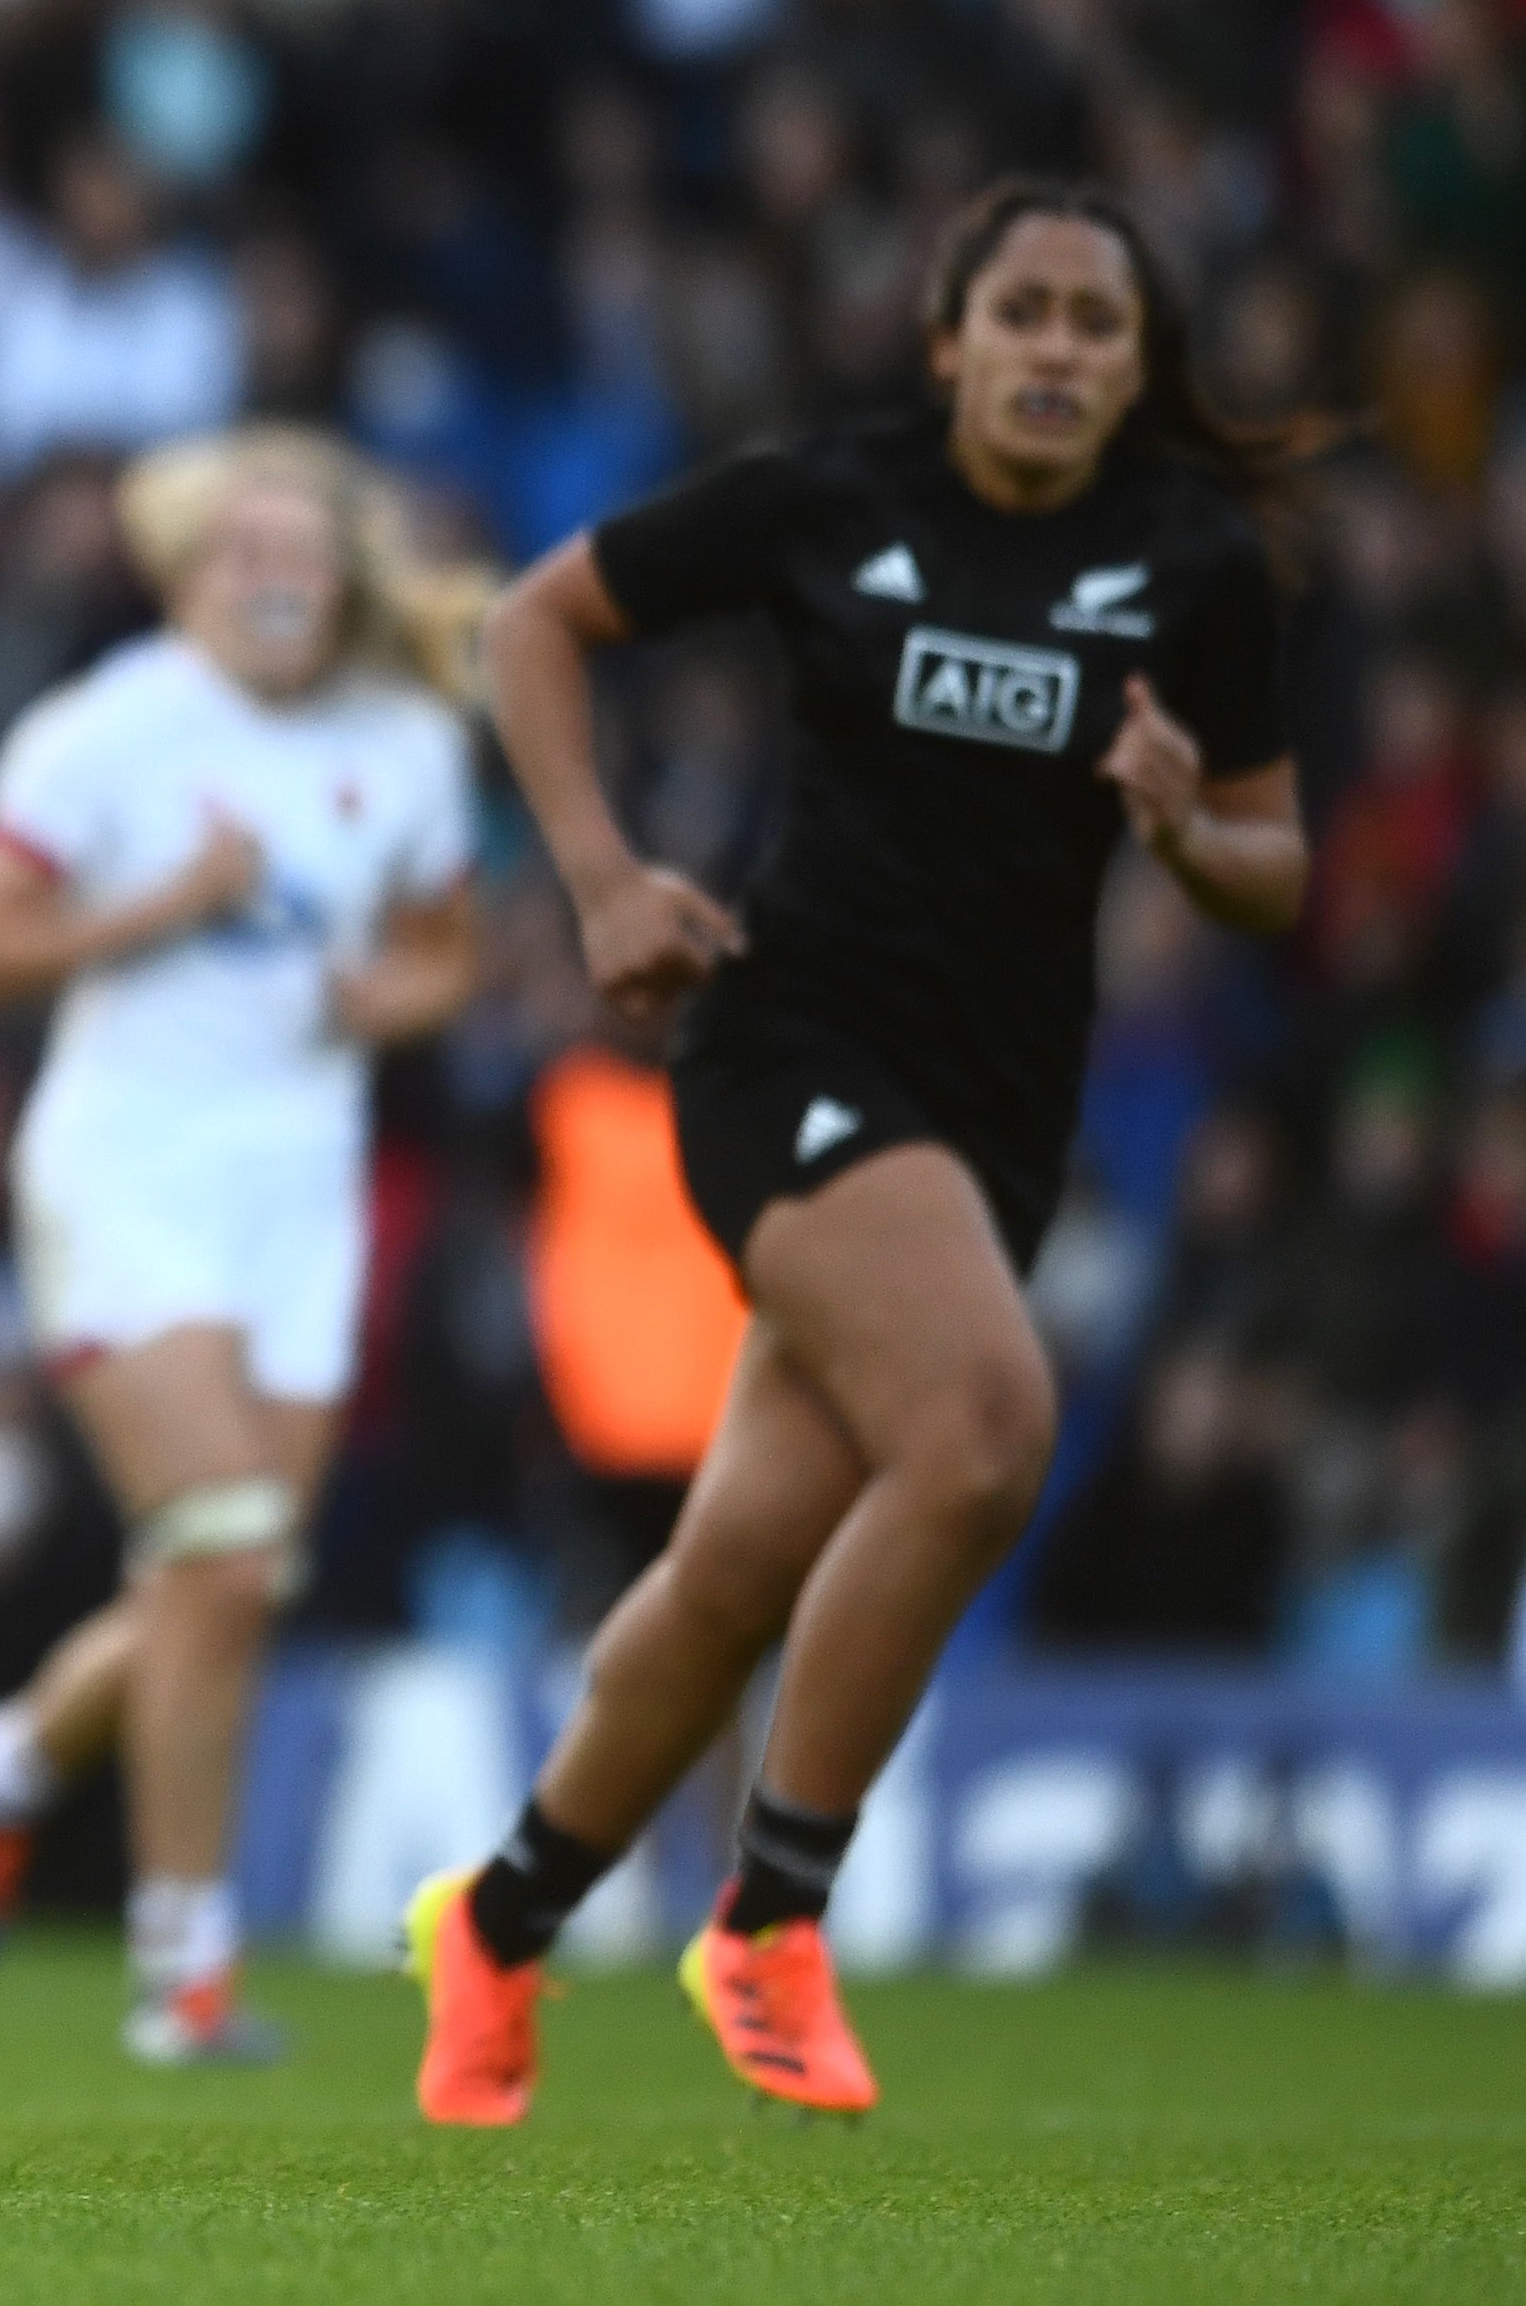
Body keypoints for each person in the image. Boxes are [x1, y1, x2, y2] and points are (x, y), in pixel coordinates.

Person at [408, 179, 1304, 2124]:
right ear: (946, 343)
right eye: (1024, 313)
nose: (1056, 350)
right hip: (783, 1050)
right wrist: (597, 879)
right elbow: (528, 623)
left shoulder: (1189, 566)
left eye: (1097, 324)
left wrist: (1180, 826)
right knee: (980, 1428)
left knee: (733, 1568)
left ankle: (493, 1921)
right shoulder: (831, 499)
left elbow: (1271, 863)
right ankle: (769, 1913)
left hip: (995, 1110)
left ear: (1136, 370)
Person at [0, 428, 487, 2065]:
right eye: (242, 548)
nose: (275, 574)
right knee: (226, 1549)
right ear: (185, 569)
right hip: (129, 1169)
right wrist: (158, 904)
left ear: (350, 576)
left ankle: (4, 1765)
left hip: (299, 1193)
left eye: (304, 549)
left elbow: (448, 948)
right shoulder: (105, 733)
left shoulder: (408, 742)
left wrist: (394, 997)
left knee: (225, 1581)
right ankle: (186, 1977)